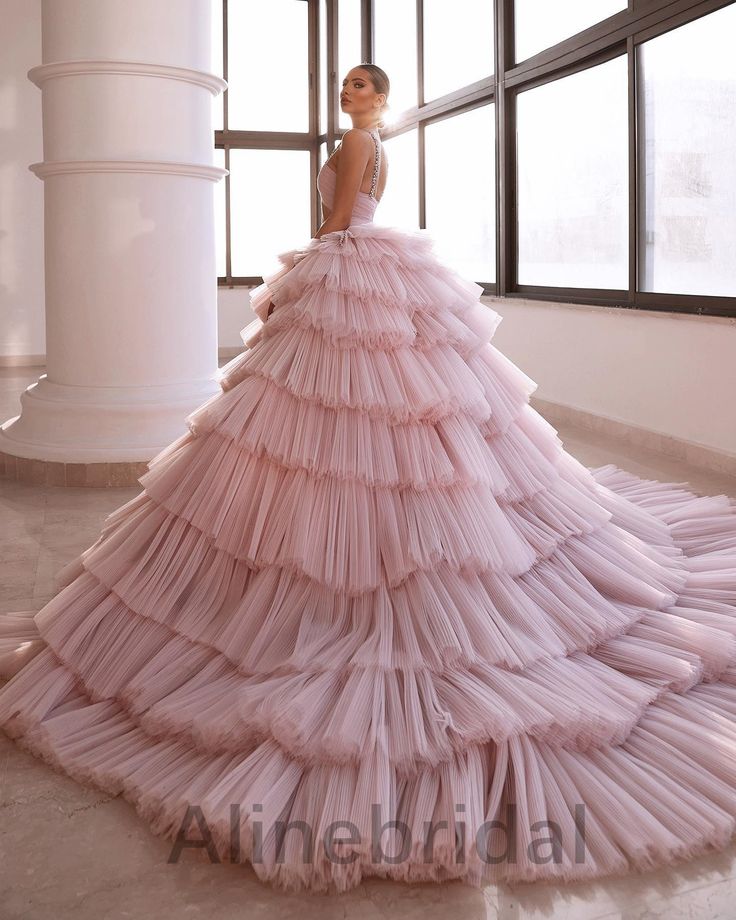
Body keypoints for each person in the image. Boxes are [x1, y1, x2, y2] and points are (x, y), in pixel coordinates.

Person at [1, 62, 736, 895]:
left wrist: (293, 291)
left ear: (378, 100)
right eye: (348, 87)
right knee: (373, 432)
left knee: (333, 429)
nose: (353, 97)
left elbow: (338, 219)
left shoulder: (352, 145)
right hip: (372, 272)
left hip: (347, 275)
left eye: (363, 87)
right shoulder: (375, 143)